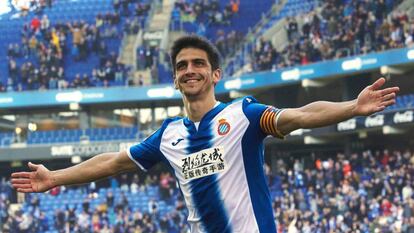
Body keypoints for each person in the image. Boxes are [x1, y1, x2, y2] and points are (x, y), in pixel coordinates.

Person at [11, 35, 399, 233]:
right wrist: (55, 178)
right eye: (182, 65)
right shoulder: (168, 135)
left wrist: (352, 107)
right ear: (177, 78)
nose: (189, 69)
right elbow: (113, 161)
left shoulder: (242, 115)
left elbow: (297, 116)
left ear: (215, 75)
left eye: (199, 63)